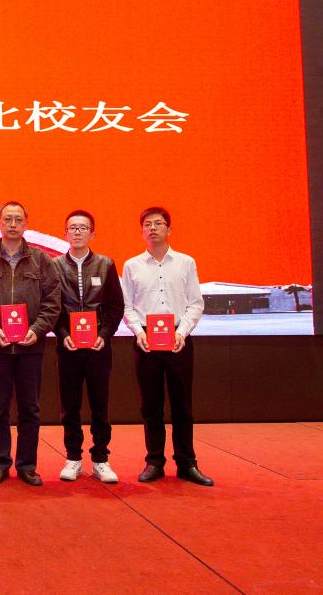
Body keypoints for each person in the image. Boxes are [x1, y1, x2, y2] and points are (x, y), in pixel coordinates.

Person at [0, 201, 61, 486]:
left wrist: (37, 329)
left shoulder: (42, 261)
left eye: (18, 219)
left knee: (30, 409)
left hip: (30, 346)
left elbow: (52, 302)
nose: (12, 224)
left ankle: (27, 465)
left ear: (26, 224)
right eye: (7, 219)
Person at [121, 206, 211, 486]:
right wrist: (138, 332)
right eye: (147, 224)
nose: (153, 228)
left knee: (182, 405)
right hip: (146, 340)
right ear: (141, 231)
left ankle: (186, 463)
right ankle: (154, 462)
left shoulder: (186, 263)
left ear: (169, 229)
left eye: (158, 223)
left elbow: (195, 303)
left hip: (178, 339)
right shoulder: (132, 265)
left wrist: (182, 332)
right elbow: (127, 306)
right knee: (151, 405)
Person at [51, 210, 124, 484]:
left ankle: (101, 459)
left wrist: (104, 334)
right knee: (69, 406)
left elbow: (115, 306)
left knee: (99, 405)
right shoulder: (54, 266)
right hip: (68, 347)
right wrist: (62, 334)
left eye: (83, 228)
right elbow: (51, 306)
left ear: (93, 233)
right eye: (73, 228)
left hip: (98, 348)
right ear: (65, 233)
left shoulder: (106, 264)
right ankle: (73, 458)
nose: (77, 232)